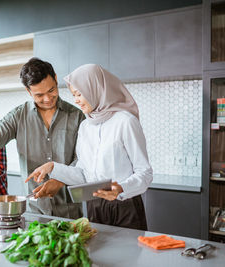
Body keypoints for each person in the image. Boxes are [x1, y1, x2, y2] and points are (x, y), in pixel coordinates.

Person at [26, 64, 153, 230]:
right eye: (74, 95)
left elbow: (145, 173)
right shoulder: (86, 126)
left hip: (125, 206)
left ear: (96, 89)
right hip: (95, 206)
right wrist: (52, 168)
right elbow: (83, 175)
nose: (76, 100)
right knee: (98, 255)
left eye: (79, 94)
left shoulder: (125, 121)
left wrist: (121, 188)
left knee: (128, 255)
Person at [0, 57, 85, 218]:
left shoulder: (76, 116)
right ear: (28, 91)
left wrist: (61, 179)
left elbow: (84, 159)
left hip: (70, 211)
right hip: (34, 210)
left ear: (55, 78)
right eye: (39, 95)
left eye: (52, 90)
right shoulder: (18, 116)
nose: (47, 99)